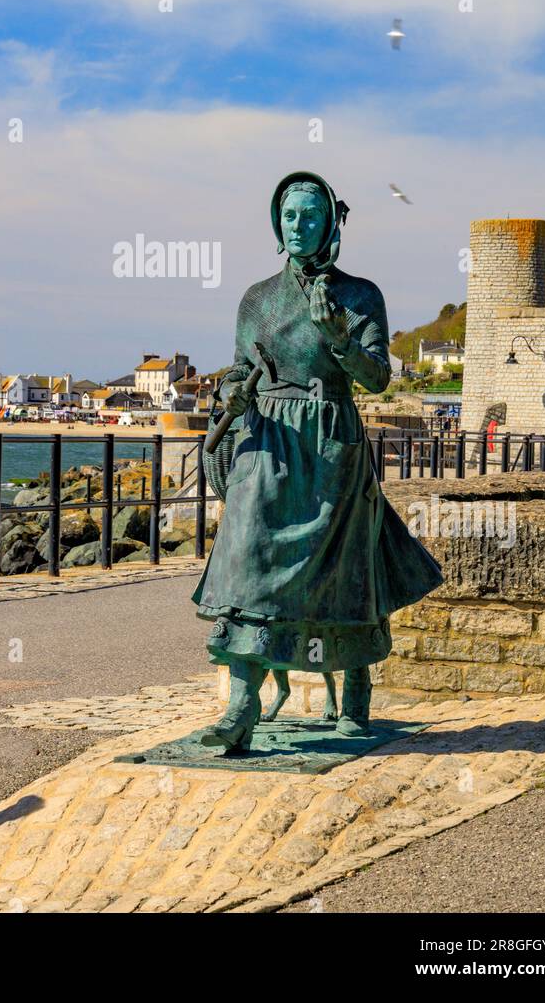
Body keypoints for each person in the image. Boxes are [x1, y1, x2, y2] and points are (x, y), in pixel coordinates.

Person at [194, 171, 443, 749]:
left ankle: (355, 700)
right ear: (276, 225)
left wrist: (341, 341)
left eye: (310, 215)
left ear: (331, 222)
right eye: (289, 216)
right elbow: (239, 368)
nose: (299, 225)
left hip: (332, 444)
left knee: (346, 572)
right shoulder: (257, 298)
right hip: (268, 443)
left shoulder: (360, 295)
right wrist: (232, 390)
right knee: (246, 562)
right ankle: (240, 707)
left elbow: (377, 379)